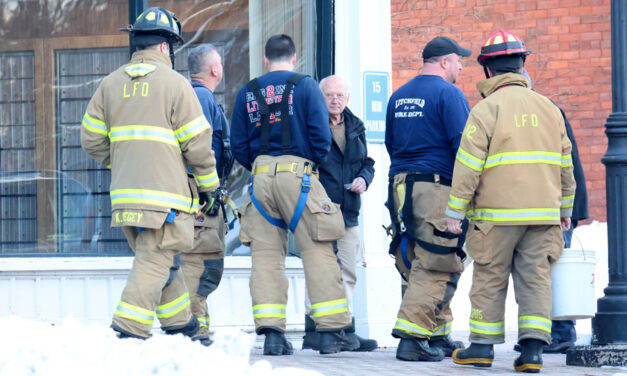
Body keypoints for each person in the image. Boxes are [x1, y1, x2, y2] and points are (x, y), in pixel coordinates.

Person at [80, 7, 220, 342]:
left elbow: (90, 139)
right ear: (163, 47)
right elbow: (198, 144)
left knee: (160, 259)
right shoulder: (176, 85)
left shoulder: (109, 85)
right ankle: (127, 331)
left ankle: (181, 325)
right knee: (156, 260)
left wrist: (124, 162)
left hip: (126, 197)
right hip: (165, 199)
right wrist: (210, 186)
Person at [446, 30, 576, 373]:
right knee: (536, 279)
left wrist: (455, 211)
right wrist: (566, 210)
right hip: (543, 215)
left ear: (488, 70)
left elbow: (468, 168)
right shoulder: (550, 109)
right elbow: (567, 165)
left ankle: (481, 348)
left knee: (489, 277)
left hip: (496, 217)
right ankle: (532, 353)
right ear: (522, 64)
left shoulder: (486, 110)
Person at [230, 34, 357, 356]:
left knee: (266, 257)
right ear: (295, 57)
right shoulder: (306, 86)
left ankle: (273, 335)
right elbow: (320, 136)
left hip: (259, 179)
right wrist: (305, 164)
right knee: (318, 249)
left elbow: (239, 144)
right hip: (298, 177)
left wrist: (262, 165)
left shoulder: (248, 92)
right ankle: (330, 334)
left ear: (264, 58)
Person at [385, 36, 472, 362]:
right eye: (459, 60)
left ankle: (436, 333)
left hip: (401, 187)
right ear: (445, 61)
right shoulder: (449, 94)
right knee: (438, 261)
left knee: (418, 258)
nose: (461, 66)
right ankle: (411, 337)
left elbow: (392, 144)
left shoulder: (399, 95)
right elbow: (464, 148)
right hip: (436, 187)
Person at [512, 69, 590, 355]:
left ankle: (559, 332)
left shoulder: (542, 111)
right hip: (551, 206)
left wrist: (569, 208)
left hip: (554, 208)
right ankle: (545, 334)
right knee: (539, 272)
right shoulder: (547, 110)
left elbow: (564, 163)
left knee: (550, 270)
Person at [300, 75, 377, 352]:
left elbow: (367, 162)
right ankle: (314, 329)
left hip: (349, 210)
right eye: (329, 95)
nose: (334, 100)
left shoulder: (356, 126)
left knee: (347, 269)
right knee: (319, 269)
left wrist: (364, 179)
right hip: (319, 210)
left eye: (339, 96)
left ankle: (343, 329)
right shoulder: (311, 126)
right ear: (321, 98)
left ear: (347, 99)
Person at [179, 43, 234, 346]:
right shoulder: (201, 97)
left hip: (200, 193)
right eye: (220, 64)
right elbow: (199, 148)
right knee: (201, 263)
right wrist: (207, 191)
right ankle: (194, 330)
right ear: (215, 69)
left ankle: (198, 327)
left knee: (203, 261)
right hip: (201, 196)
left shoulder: (194, 95)